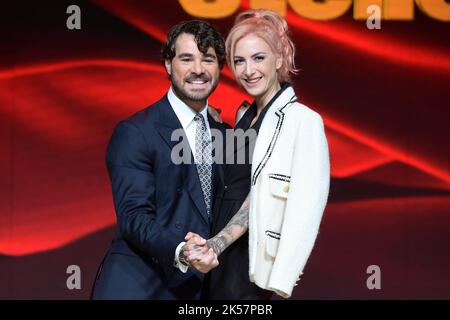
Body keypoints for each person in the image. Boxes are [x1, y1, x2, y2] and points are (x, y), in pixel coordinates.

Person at [183, 9, 330, 299]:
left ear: (280, 58)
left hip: (247, 261)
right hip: (208, 255)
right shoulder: (243, 117)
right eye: (239, 61)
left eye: (258, 58)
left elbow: (304, 205)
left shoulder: (302, 121)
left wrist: (217, 244)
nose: (248, 70)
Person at [90, 20, 229, 299]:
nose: (198, 70)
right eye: (186, 59)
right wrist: (182, 250)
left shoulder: (227, 136)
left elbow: (236, 211)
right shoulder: (136, 131)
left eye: (208, 59)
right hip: (140, 286)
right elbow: (134, 216)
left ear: (220, 67)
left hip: (198, 290)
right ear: (168, 64)